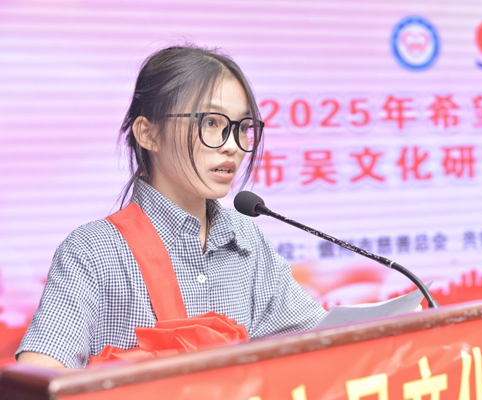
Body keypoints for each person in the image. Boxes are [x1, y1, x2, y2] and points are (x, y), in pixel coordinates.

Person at [16, 45, 326, 369]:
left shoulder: (246, 239)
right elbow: (38, 376)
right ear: (148, 134)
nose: (233, 146)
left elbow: (326, 341)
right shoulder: (93, 251)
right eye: (211, 122)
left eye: (243, 128)